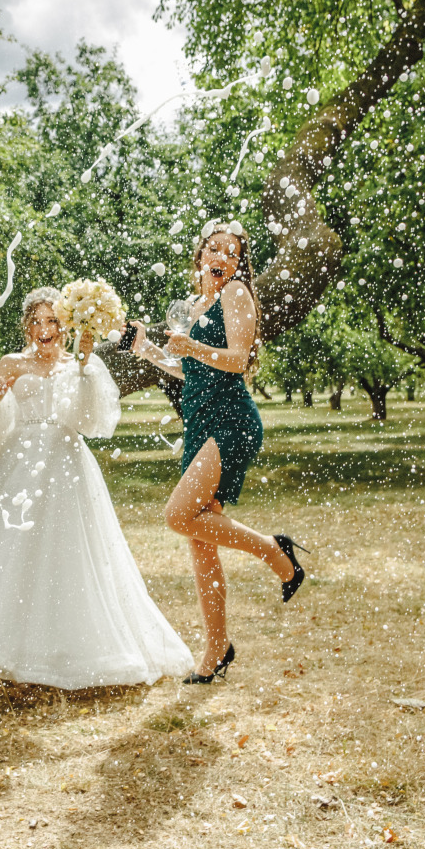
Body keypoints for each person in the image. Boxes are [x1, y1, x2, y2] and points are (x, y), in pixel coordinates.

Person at [0, 289, 192, 688]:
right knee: (7, 547)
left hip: (67, 462)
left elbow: (91, 419)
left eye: (52, 321)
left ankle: (69, 649)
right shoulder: (11, 363)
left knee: (69, 549)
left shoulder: (78, 363)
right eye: (36, 321)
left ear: (64, 325)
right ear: (26, 325)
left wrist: (87, 364)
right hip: (18, 464)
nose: (44, 329)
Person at [131, 219, 307, 684]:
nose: (222, 258)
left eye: (231, 253)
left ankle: (274, 551)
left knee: (176, 514)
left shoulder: (236, 295)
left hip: (231, 422)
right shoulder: (193, 304)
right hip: (199, 422)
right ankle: (215, 649)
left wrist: (191, 345)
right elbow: (191, 371)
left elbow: (238, 360)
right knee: (199, 540)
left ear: (238, 263)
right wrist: (148, 349)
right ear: (200, 255)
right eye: (214, 249)